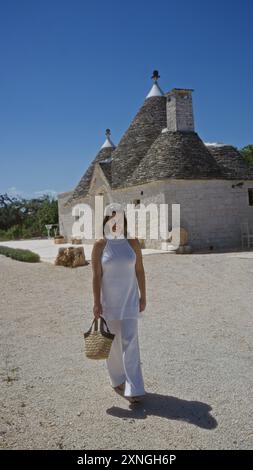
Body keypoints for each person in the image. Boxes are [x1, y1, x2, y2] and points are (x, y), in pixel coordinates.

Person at [91, 204, 146, 404]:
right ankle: (117, 379)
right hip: (109, 302)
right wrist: (96, 302)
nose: (116, 223)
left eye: (120, 219)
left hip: (130, 300)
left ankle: (134, 387)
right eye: (112, 219)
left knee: (130, 341)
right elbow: (96, 275)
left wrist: (143, 296)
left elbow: (140, 270)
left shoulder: (132, 242)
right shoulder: (100, 245)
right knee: (113, 343)